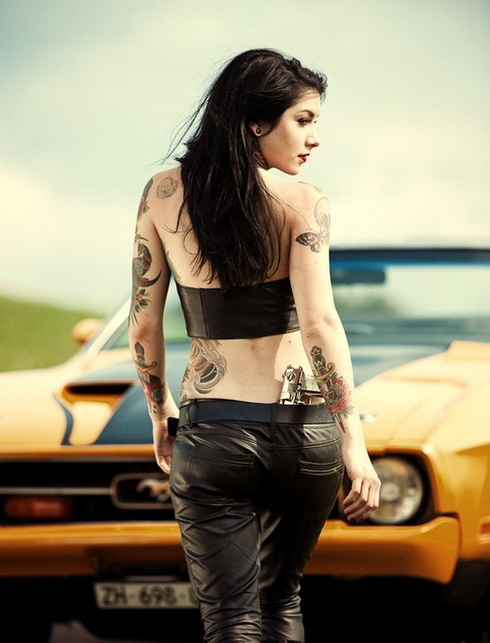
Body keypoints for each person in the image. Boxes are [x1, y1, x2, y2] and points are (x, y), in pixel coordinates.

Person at [128, 48, 380, 643]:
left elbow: (142, 325)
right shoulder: (305, 202)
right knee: (281, 602)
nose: (314, 138)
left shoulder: (162, 194)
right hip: (305, 435)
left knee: (231, 619)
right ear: (255, 122)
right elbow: (320, 325)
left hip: (215, 433)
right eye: (303, 120)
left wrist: (160, 413)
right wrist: (354, 443)